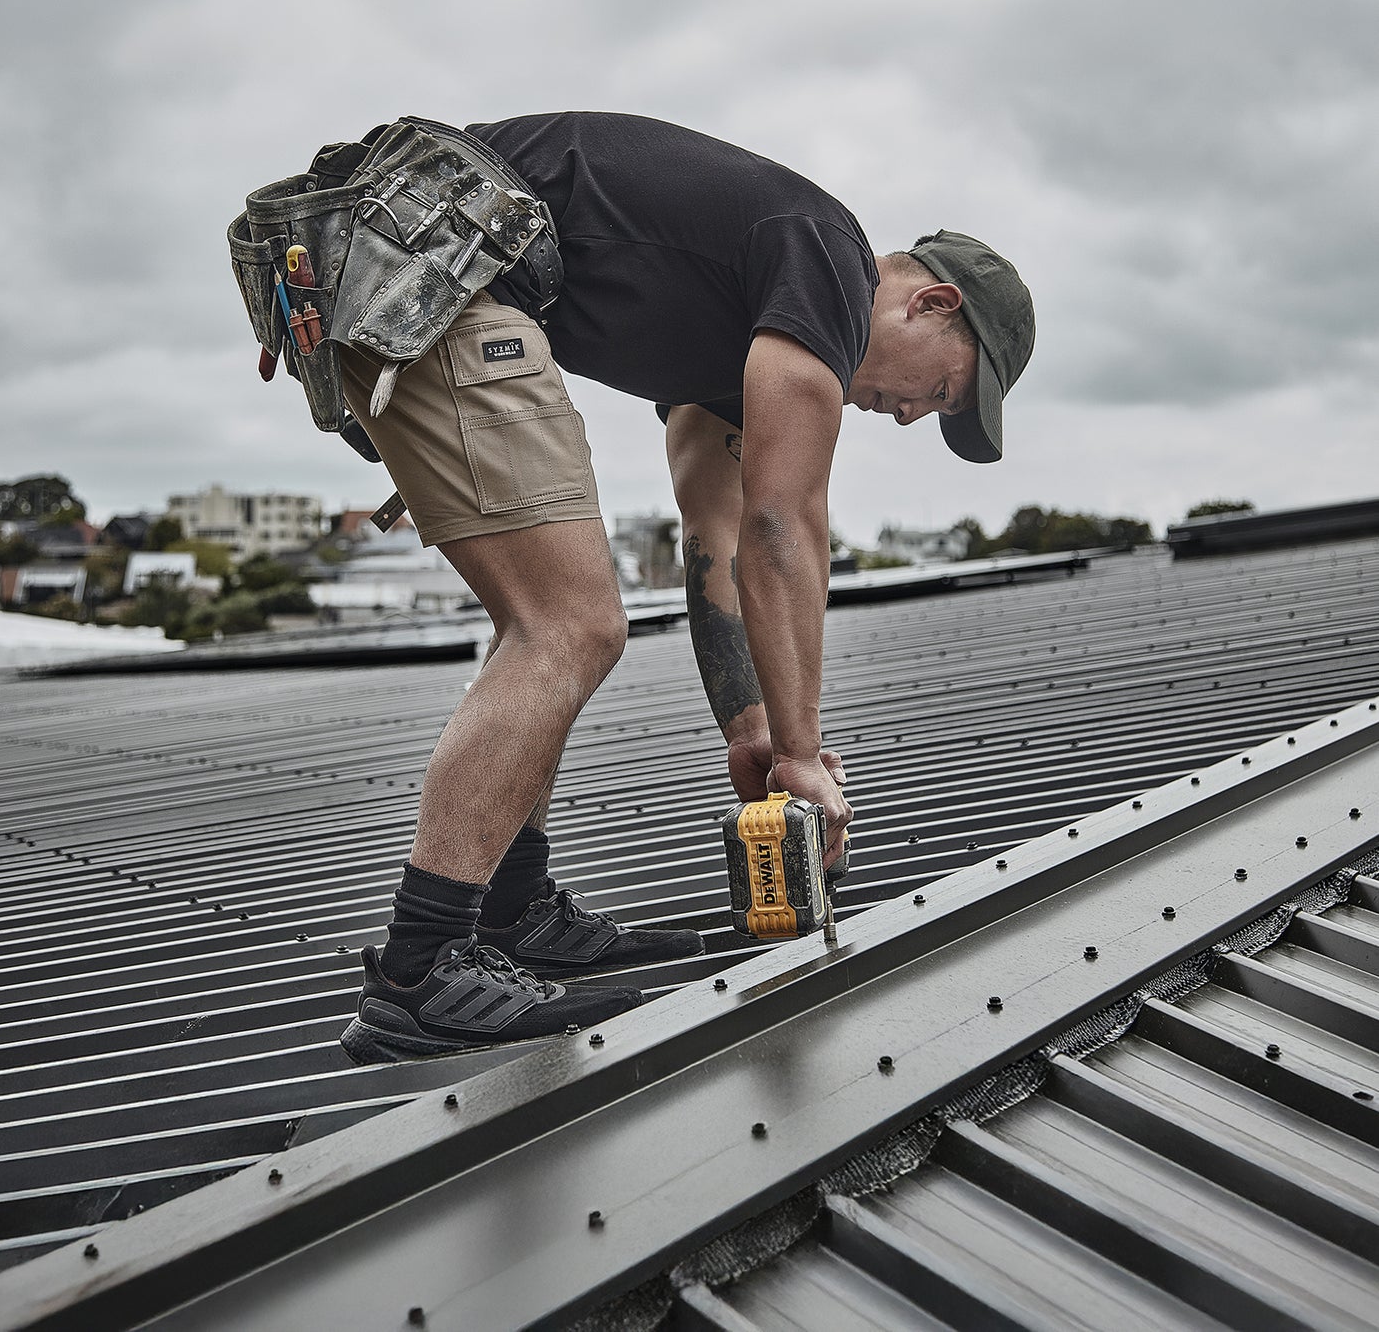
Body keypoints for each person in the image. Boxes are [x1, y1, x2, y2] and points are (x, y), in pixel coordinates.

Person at [323, 112, 1035, 1062]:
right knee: (568, 625)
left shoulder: (759, 329)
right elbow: (787, 526)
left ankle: (510, 908)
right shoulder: (828, 258)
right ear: (931, 304)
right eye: (941, 392)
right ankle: (421, 968)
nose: (909, 417)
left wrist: (757, 735)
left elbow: (721, 535)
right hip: (426, 270)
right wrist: (808, 755)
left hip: (406, 270)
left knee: (539, 626)